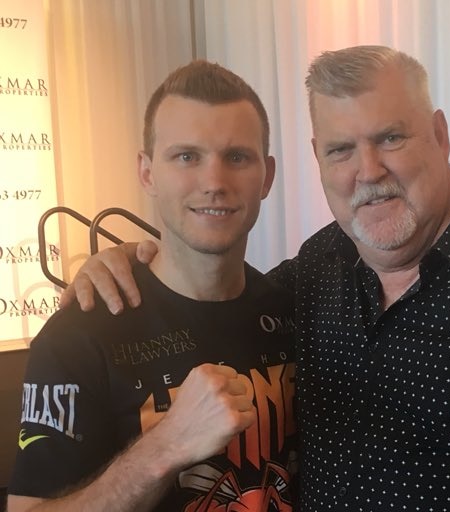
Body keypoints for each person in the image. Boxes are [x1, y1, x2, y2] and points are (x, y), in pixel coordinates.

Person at [61, 46, 450, 511]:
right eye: (341, 149)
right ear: (315, 161)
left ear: (440, 134)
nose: (367, 170)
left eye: (391, 137)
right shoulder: (316, 270)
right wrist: (128, 260)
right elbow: (213, 289)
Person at [8, 61, 298, 512]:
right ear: (147, 173)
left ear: (268, 175)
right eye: (187, 156)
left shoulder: (295, 311)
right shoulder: (77, 336)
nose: (214, 182)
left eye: (237, 157)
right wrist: (165, 447)